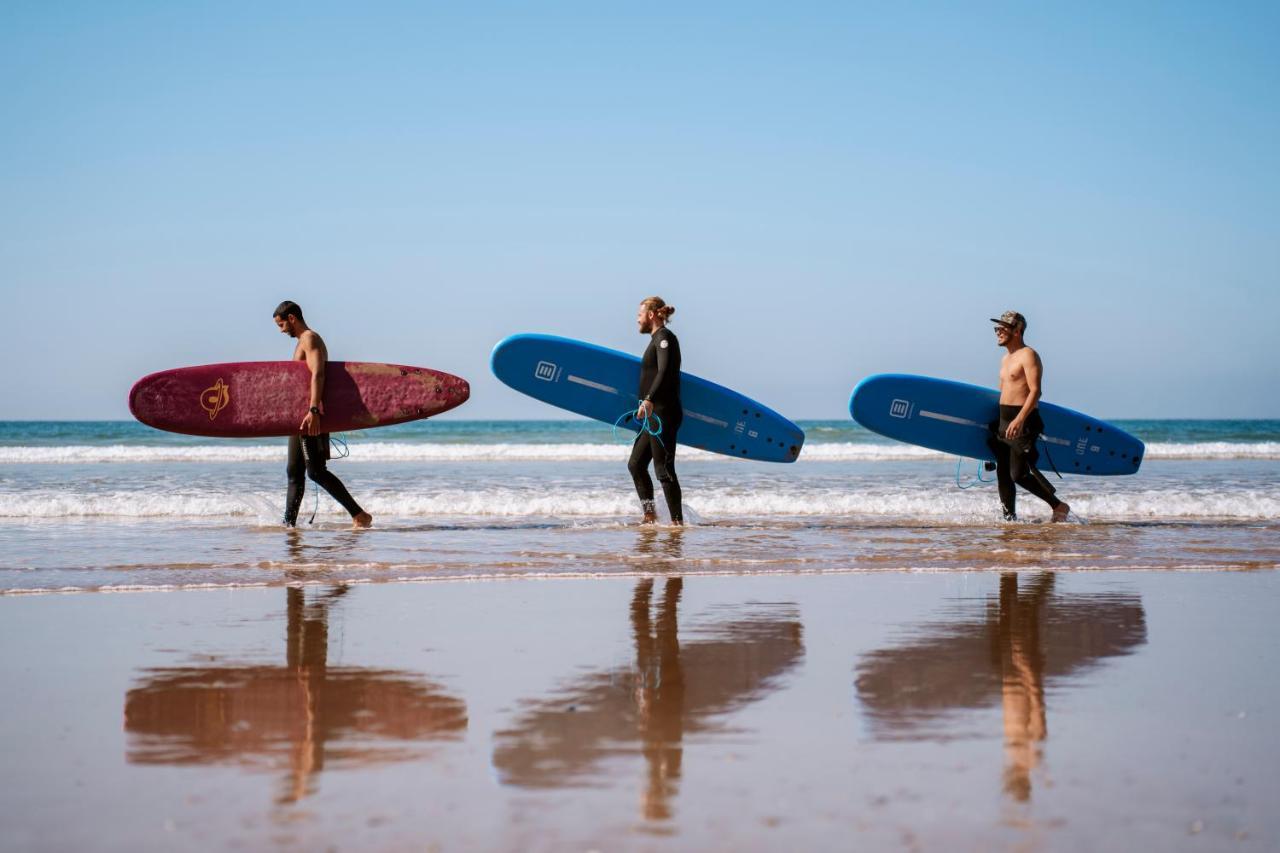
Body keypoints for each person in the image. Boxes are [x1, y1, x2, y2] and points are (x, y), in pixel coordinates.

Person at [273, 301, 373, 529]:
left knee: (315, 472)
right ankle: (288, 525)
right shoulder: (302, 341)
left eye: (281, 325)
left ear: (291, 318)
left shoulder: (310, 339)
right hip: (300, 417)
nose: (281, 331)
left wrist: (314, 410)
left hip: (311, 414)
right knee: (294, 472)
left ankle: (360, 515)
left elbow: (318, 374)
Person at [987, 310, 1070, 522]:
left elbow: (1035, 392)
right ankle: (1009, 519)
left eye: (1002, 327)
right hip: (1004, 420)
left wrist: (1020, 419)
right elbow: (1003, 393)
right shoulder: (1005, 359)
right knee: (1003, 474)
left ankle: (1059, 506)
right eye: (997, 327)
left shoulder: (1028, 355)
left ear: (1018, 330)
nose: (998, 331)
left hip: (1023, 420)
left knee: (1019, 474)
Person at [628, 297, 683, 525]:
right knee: (636, 464)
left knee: (663, 468)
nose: (637, 318)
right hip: (653, 415)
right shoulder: (655, 340)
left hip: (664, 412)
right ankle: (649, 516)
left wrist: (649, 399)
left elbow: (665, 372)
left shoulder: (664, 338)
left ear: (651, 315)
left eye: (640, 314)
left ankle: (678, 523)